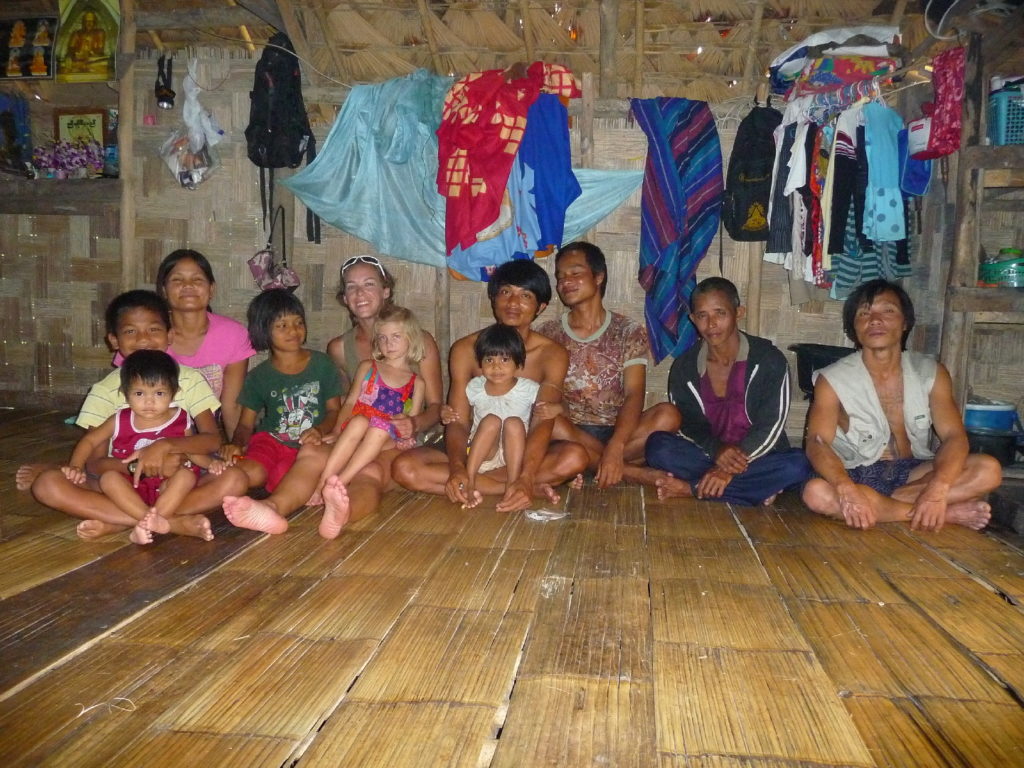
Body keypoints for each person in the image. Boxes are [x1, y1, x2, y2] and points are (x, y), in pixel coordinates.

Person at [15, 249, 255, 491]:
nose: (188, 287)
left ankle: (113, 503)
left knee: (238, 475)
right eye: (177, 280)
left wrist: (234, 448)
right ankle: (66, 471)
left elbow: (231, 405)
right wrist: (141, 461)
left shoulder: (226, 340)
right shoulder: (142, 337)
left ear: (211, 288)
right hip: (129, 453)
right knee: (71, 481)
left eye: (197, 280)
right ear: (163, 290)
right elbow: (118, 412)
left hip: (192, 448)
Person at [30, 290, 248, 540]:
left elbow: (211, 440)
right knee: (47, 485)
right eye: (131, 331)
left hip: (175, 480)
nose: (143, 338)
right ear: (113, 340)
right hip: (121, 482)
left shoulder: (189, 380)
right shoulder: (103, 391)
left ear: (170, 335)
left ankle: (121, 522)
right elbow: (95, 463)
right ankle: (170, 522)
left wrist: (166, 447)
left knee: (235, 479)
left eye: (154, 329)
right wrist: (141, 467)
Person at [802, 279, 1001, 531]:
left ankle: (890, 507)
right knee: (816, 493)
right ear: (853, 328)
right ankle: (940, 513)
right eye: (864, 313)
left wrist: (938, 487)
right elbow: (817, 442)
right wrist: (845, 488)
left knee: (988, 469)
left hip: (913, 472)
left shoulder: (930, 372)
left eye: (887, 311)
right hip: (856, 473)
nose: (874, 320)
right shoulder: (832, 380)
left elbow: (954, 437)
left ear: (905, 322)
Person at [393, 259, 589, 510]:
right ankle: (513, 488)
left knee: (575, 457)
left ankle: (505, 484)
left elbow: (543, 420)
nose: (513, 303)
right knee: (404, 468)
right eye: (506, 292)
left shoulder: (552, 353)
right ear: (494, 297)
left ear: (540, 307)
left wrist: (526, 475)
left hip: (521, 450)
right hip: (475, 448)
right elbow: (458, 420)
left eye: (525, 295)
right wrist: (456, 468)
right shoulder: (466, 349)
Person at [645, 277, 811, 505]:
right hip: (711, 453)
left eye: (720, 313)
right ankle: (753, 489)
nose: (711, 324)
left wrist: (729, 469)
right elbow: (689, 425)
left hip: (760, 455)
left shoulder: (768, 359)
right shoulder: (684, 368)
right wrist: (718, 452)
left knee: (798, 464)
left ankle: (693, 488)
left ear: (738, 313)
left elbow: (771, 424)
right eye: (702, 315)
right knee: (658, 447)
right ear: (693, 319)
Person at [535, 241, 681, 487]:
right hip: (571, 430)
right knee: (550, 422)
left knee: (668, 414)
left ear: (599, 277)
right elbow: (548, 394)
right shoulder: (548, 333)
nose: (565, 282)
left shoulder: (628, 330)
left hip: (621, 429)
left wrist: (617, 443)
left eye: (575, 273)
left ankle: (594, 464)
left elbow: (634, 394)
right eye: (560, 277)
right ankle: (629, 472)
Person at [322, 254, 444, 524]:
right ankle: (272, 507)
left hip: (402, 438)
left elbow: (436, 408)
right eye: (351, 286)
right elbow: (347, 402)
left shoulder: (419, 342)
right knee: (312, 456)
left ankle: (341, 515)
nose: (360, 293)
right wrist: (331, 433)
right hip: (358, 430)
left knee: (371, 471)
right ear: (344, 297)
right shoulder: (339, 349)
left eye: (368, 284)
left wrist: (413, 423)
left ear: (386, 290)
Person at [59, 350, 219, 545]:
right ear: (125, 394)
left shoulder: (180, 417)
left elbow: (191, 451)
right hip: (132, 485)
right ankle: (158, 522)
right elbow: (89, 441)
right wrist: (76, 465)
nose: (149, 401)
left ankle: (135, 524)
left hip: (167, 486)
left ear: (174, 393)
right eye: (139, 393)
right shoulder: (119, 419)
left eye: (159, 393)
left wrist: (211, 464)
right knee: (109, 479)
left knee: (186, 476)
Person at [220, 289, 342, 535]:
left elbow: (334, 411)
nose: (293, 330)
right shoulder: (258, 376)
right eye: (282, 325)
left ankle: (267, 510)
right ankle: (216, 501)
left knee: (288, 477)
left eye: (298, 323)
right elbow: (246, 424)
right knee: (249, 472)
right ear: (264, 331)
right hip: (270, 440)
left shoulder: (322, 364)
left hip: (306, 446)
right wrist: (236, 444)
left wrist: (318, 430)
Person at [316, 305, 426, 538]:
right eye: (383, 338)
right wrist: (337, 431)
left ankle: (339, 483)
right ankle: (323, 484)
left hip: (386, 438)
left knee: (378, 427)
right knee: (359, 423)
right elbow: (349, 403)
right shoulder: (369, 367)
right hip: (357, 427)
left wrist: (408, 439)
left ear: (411, 339)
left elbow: (412, 422)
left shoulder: (416, 383)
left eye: (396, 337)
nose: (389, 344)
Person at [442, 323, 541, 509]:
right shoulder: (475, 386)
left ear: (518, 362)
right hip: (484, 454)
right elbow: (457, 415)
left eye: (504, 360)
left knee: (514, 423)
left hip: (514, 455)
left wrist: (558, 409)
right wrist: (444, 413)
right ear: (480, 363)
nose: (496, 367)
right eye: (489, 360)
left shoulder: (529, 389)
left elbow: (554, 407)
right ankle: (469, 480)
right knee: (491, 420)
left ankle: (513, 484)